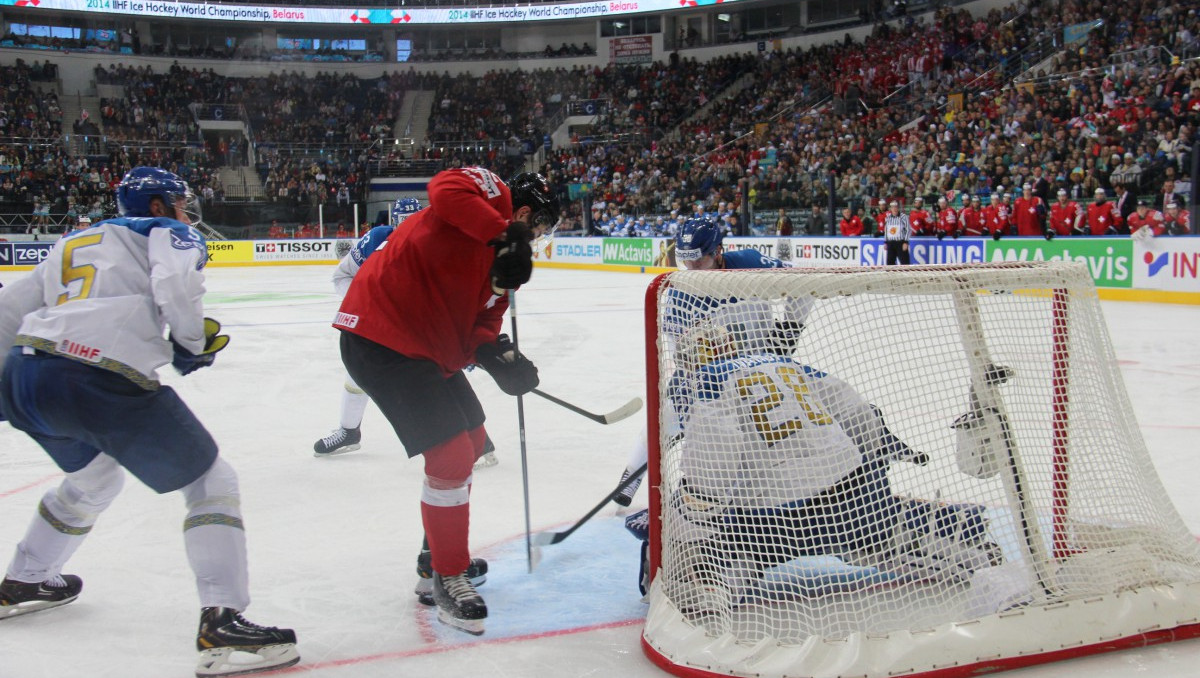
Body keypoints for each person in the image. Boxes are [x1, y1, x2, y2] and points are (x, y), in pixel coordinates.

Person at [0, 167, 298, 677]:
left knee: (94, 478)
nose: (187, 214)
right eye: (180, 204)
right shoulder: (165, 231)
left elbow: (9, 309)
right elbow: (176, 280)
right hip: (95, 372)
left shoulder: (74, 239)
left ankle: (25, 579)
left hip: (24, 374)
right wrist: (189, 343)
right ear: (157, 206)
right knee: (212, 481)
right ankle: (222, 621)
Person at [622, 313, 999, 605]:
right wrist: (876, 457)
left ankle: (708, 582)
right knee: (875, 535)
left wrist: (690, 506)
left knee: (706, 527)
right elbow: (855, 408)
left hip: (782, 516)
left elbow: (715, 458)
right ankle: (963, 532)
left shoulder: (708, 381)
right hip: (853, 494)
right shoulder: (784, 363)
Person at [332, 168, 560, 636]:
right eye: (538, 227)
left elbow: (483, 323)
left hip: (426, 350)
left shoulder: (509, 267)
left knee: (473, 442)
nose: (537, 239)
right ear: (523, 213)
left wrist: (500, 356)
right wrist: (504, 235)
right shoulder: (490, 194)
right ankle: (447, 576)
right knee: (451, 452)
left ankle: (433, 557)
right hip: (381, 338)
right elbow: (443, 188)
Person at [611, 217, 793, 508]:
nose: (692, 270)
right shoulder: (680, 290)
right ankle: (631, 476)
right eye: (686, 262)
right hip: (707, 377)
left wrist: (790, 327)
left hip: (760, 372)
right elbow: (677, 351)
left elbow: (802, 283)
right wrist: (697, 365)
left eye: (699, 262)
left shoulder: (750, 263)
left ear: (718, 252)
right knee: (664, 417)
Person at [882, 200, 911, 265]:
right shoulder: (888, 218)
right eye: (892, 207)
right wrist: (886, 242)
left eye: (896, 207)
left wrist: (905, 242)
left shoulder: (904, 217)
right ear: (890, 208)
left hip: (900, 242)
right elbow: (886, 230)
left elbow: (908, 229)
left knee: (905, 263)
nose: (894, 208)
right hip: (891, 243)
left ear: (898, 208)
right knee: (890, 263)